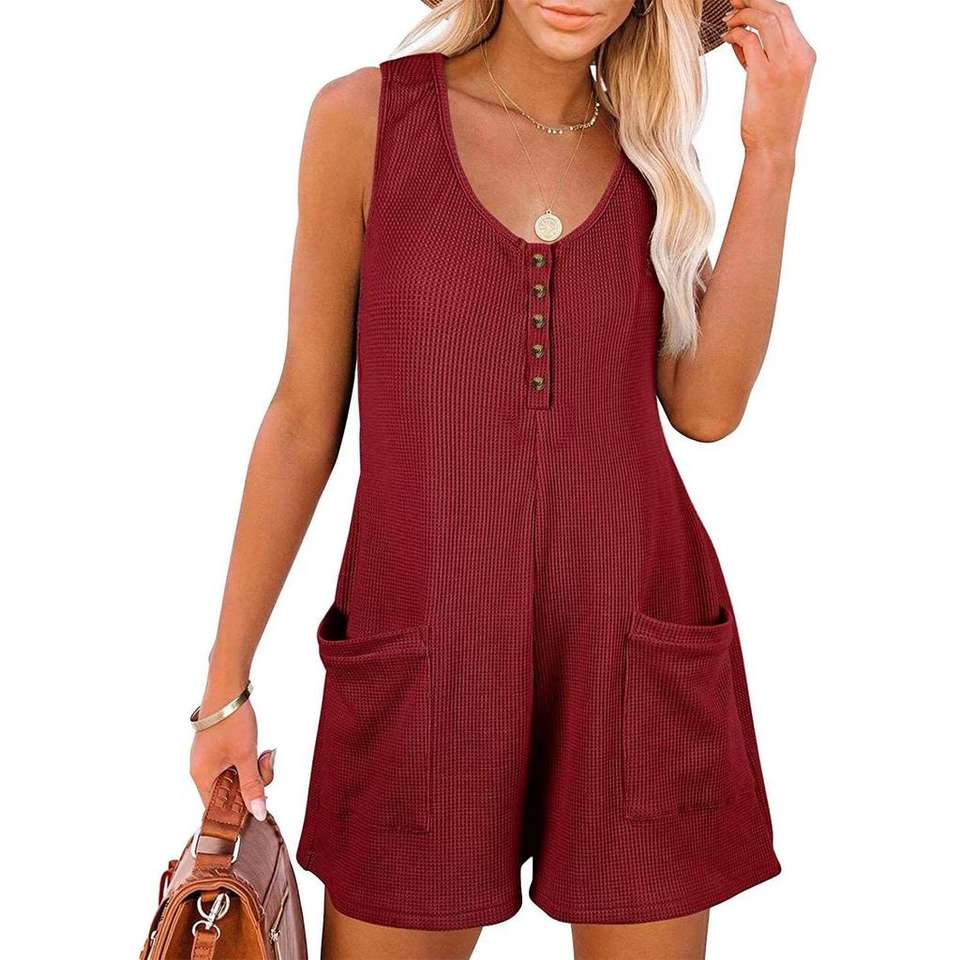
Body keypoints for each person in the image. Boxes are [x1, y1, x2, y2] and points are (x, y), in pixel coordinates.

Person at [188, 1, 814, 956]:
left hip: (632, 656)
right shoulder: (363, 121)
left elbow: (707, 407)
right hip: (424, 658)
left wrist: (771, 152)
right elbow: (303, 417)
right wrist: (225, 688)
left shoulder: (648, 151)